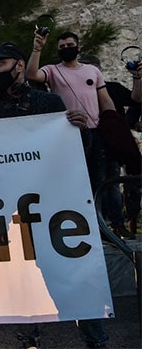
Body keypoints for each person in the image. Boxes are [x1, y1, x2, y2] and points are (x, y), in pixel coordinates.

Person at [0, 42, 107, 349]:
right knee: (21, 277)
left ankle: (95, 338)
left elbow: (74, 153)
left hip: (54, 205)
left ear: (19, 66)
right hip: (7, 205)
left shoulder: (50, 104)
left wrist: (79, 130)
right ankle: (29, 339)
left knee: (70, 273)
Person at [25, 31, 120, 238]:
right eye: (61, 47)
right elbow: (31, 75)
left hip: (95, 132)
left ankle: (108, 227)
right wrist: (37, 48)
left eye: (70, 45)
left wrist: (113, 124)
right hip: (67, 133)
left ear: (79, 47)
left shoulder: (93, 71)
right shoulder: (52, 70)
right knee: (76, 180)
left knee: (101, 179)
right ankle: (85, 226)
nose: (66, 49)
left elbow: (105, 101)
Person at [78, 54, 139, 238]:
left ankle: (117, 224)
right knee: (97, 183)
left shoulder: (113, 88)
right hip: (91, 141)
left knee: (112, 182)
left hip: (111, 142)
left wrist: (137, 77)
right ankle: (100, 224)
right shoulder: (79, 90)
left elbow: (136, 98)